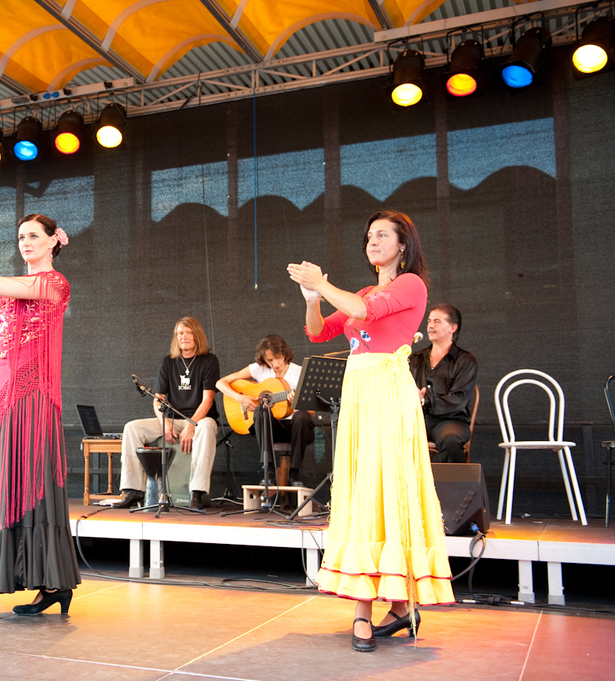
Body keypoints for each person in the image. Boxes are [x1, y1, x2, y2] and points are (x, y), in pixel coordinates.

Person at [287, 210, 454, 653]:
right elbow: (319, 333)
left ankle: (366, 608)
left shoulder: (410, 285)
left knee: (382, 492)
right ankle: (399, 606)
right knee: (364, 490)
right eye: (369, 237)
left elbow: (366, 311)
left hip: (387, 392)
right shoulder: (360, 291)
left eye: (382, 235)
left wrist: (323, 285)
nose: (373, 242)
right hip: (359, 394)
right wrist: (311, 297)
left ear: (403, 245)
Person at [0, 213, 81, 626]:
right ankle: (51, 583)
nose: (25, 241)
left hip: (33, 398)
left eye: (34, 235)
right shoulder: (12, 291)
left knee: (22, 484)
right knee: (7, 483)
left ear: (53, 242)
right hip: (3, 399)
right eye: (21, 236)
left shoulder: (54, 283)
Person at [114, 317, 220, 511]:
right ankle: (134, 489)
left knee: (206, 426)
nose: (183, 337)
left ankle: (197, 492)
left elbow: (208, 400)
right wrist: (165, 423)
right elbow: (158, 399)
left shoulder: (209, 361)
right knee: (132, 428)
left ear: (197, 335)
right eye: (180, 333)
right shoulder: (168, 362)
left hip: (200, 419)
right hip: (172, 418)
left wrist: (191, 425)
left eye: (188, 332)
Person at [215, 335, 314, 487]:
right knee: (261, 411)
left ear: (285, 353)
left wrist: (297, 403)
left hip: (296, 428)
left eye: (278, 358)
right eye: (270, 360)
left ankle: (295, 472)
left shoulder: (300, 372)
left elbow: (312, 412)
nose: (275, 364)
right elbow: (220, 383)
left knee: (302, 416)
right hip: (271, 428)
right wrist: (240, 398)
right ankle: (268, 471)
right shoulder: (259, 369)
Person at [409, 304, 478, 463]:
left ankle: (447, 479)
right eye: (429, 321)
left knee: (450, 440)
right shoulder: (415, 358)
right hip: (417, 419)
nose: (431, 326)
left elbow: (459, 398)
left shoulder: (465, 361)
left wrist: (425, 401)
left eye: (437, 321)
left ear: (452, 328)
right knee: (386, 434)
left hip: (450, 420)